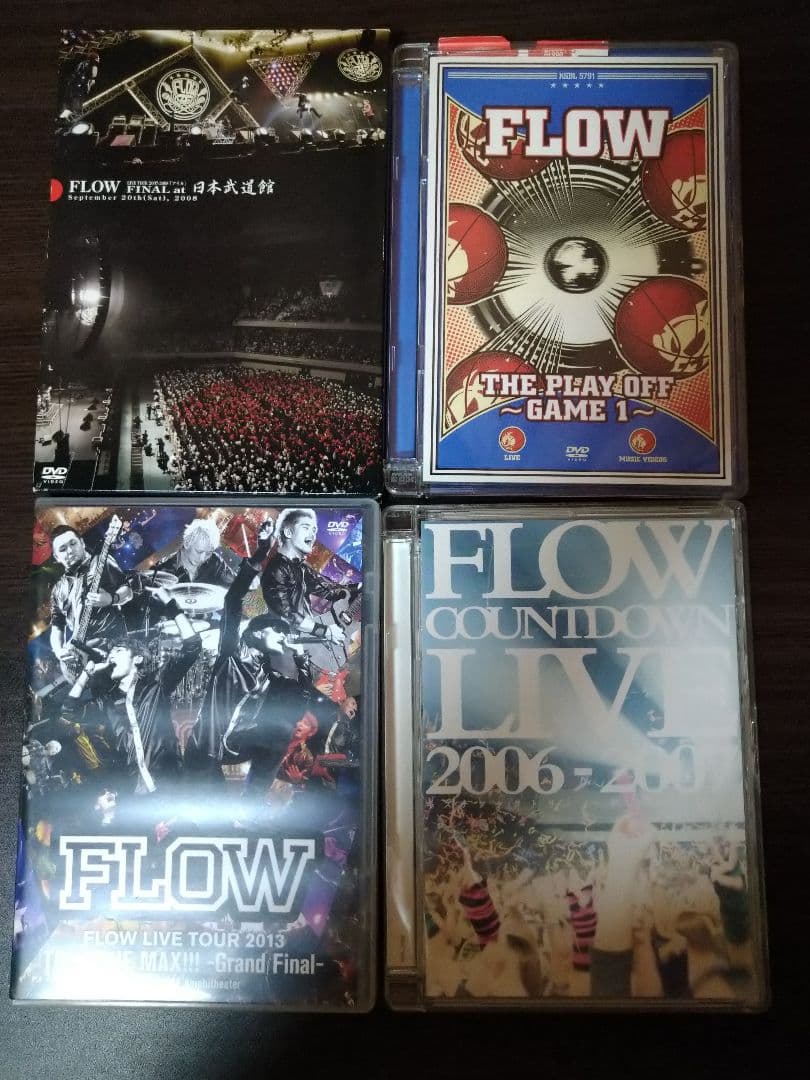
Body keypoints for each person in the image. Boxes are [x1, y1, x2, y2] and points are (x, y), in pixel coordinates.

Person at [66, 586, 201, 797]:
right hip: (131, 793)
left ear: (137, 658)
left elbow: (192, 646)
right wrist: (87, 672)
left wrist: (170, 603)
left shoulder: (156, 683)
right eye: (110, 653)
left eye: (118, 651)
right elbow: (68, 712)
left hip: (170, 788)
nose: (111, 656)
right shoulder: (107, 700)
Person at [49, 524, 132, 683]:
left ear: (82, 543)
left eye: (73, 543)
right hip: (82, 658)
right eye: (63, 549)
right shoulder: (58, 590)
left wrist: (111, 599)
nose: (70, 551)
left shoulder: (101, 562)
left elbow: (127, 591)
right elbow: (57, 627)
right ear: (56, 557)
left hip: (114, 645)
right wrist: (59, 651)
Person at [155, 516, 235, 587]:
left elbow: (237, 583)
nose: (202, 558)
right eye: (199, 551)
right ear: (186, 543)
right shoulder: (162, 568)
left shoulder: (215, 561)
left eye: (208, 553)